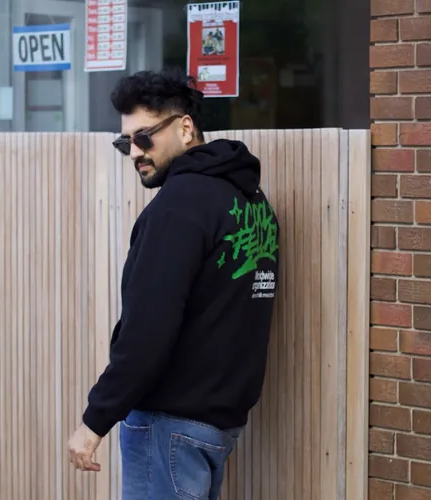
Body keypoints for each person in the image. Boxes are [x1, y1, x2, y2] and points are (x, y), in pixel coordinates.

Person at [67, 68, 279, 500]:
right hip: (218, 425)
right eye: (125, 142)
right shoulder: (251, 202)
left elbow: (147, 331)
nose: (134, 152)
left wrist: (94, 422)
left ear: (185, 128)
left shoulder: (177, 209)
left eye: (144, 137)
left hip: (168, 425)